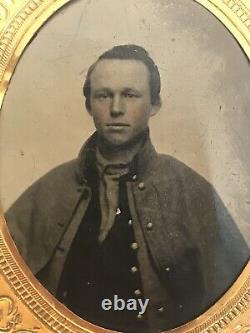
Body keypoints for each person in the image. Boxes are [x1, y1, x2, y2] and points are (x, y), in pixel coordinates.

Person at [5, 45, 249, 333]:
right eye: (104, 95)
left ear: (155, 105)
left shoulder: (189, 190)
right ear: (88, 105)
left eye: (130, 95)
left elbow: (237, 306)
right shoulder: (50, 190)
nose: (116, 108)